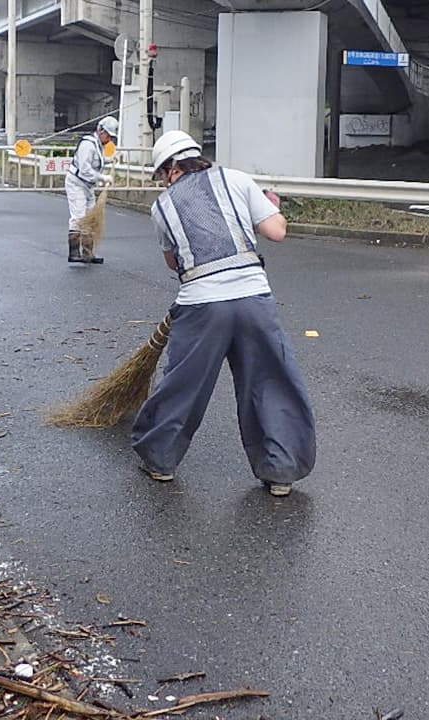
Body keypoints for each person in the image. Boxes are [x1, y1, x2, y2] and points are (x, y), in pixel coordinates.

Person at [130, 130, 316, 496]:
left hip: (201, 304)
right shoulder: (237, 179)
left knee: (184, 383)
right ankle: (280, 472)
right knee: (269, 380)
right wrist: (270, 205)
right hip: (253, 299)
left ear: (170, 169)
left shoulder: (161, 207)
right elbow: (276, 232)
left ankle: (160, 459)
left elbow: (173, 262)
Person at [64, 116, 118, 264]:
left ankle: (88, 253)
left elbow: (96, 160)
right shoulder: (87, 144)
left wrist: (110, 159)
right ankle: (74, 252)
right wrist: (103, 178)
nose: (109, 139)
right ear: (100, 130)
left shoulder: (98, 145)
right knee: (79, 216)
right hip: (76, 183)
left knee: (90, 217)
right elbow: (85, 169)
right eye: (108, 135)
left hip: (88, 185)